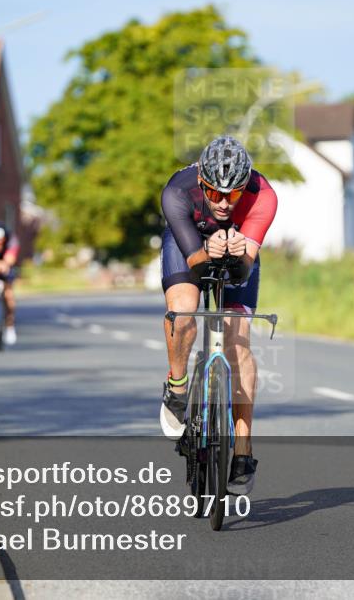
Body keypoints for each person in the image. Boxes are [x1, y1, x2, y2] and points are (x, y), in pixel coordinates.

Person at [158, 135, 277, 495]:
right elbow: (194, 264)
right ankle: (177, 387)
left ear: (246, 186)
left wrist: (241, 254)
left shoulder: (264, 196)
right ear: (201, 183)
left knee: (237, 340)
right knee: (182, 315)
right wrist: (208, 248)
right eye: (215, 193)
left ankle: (242, 449)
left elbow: (242, 272)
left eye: (233, 194)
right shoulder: (177, 192)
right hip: (191, 243)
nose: (224, 203)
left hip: (236, 246)